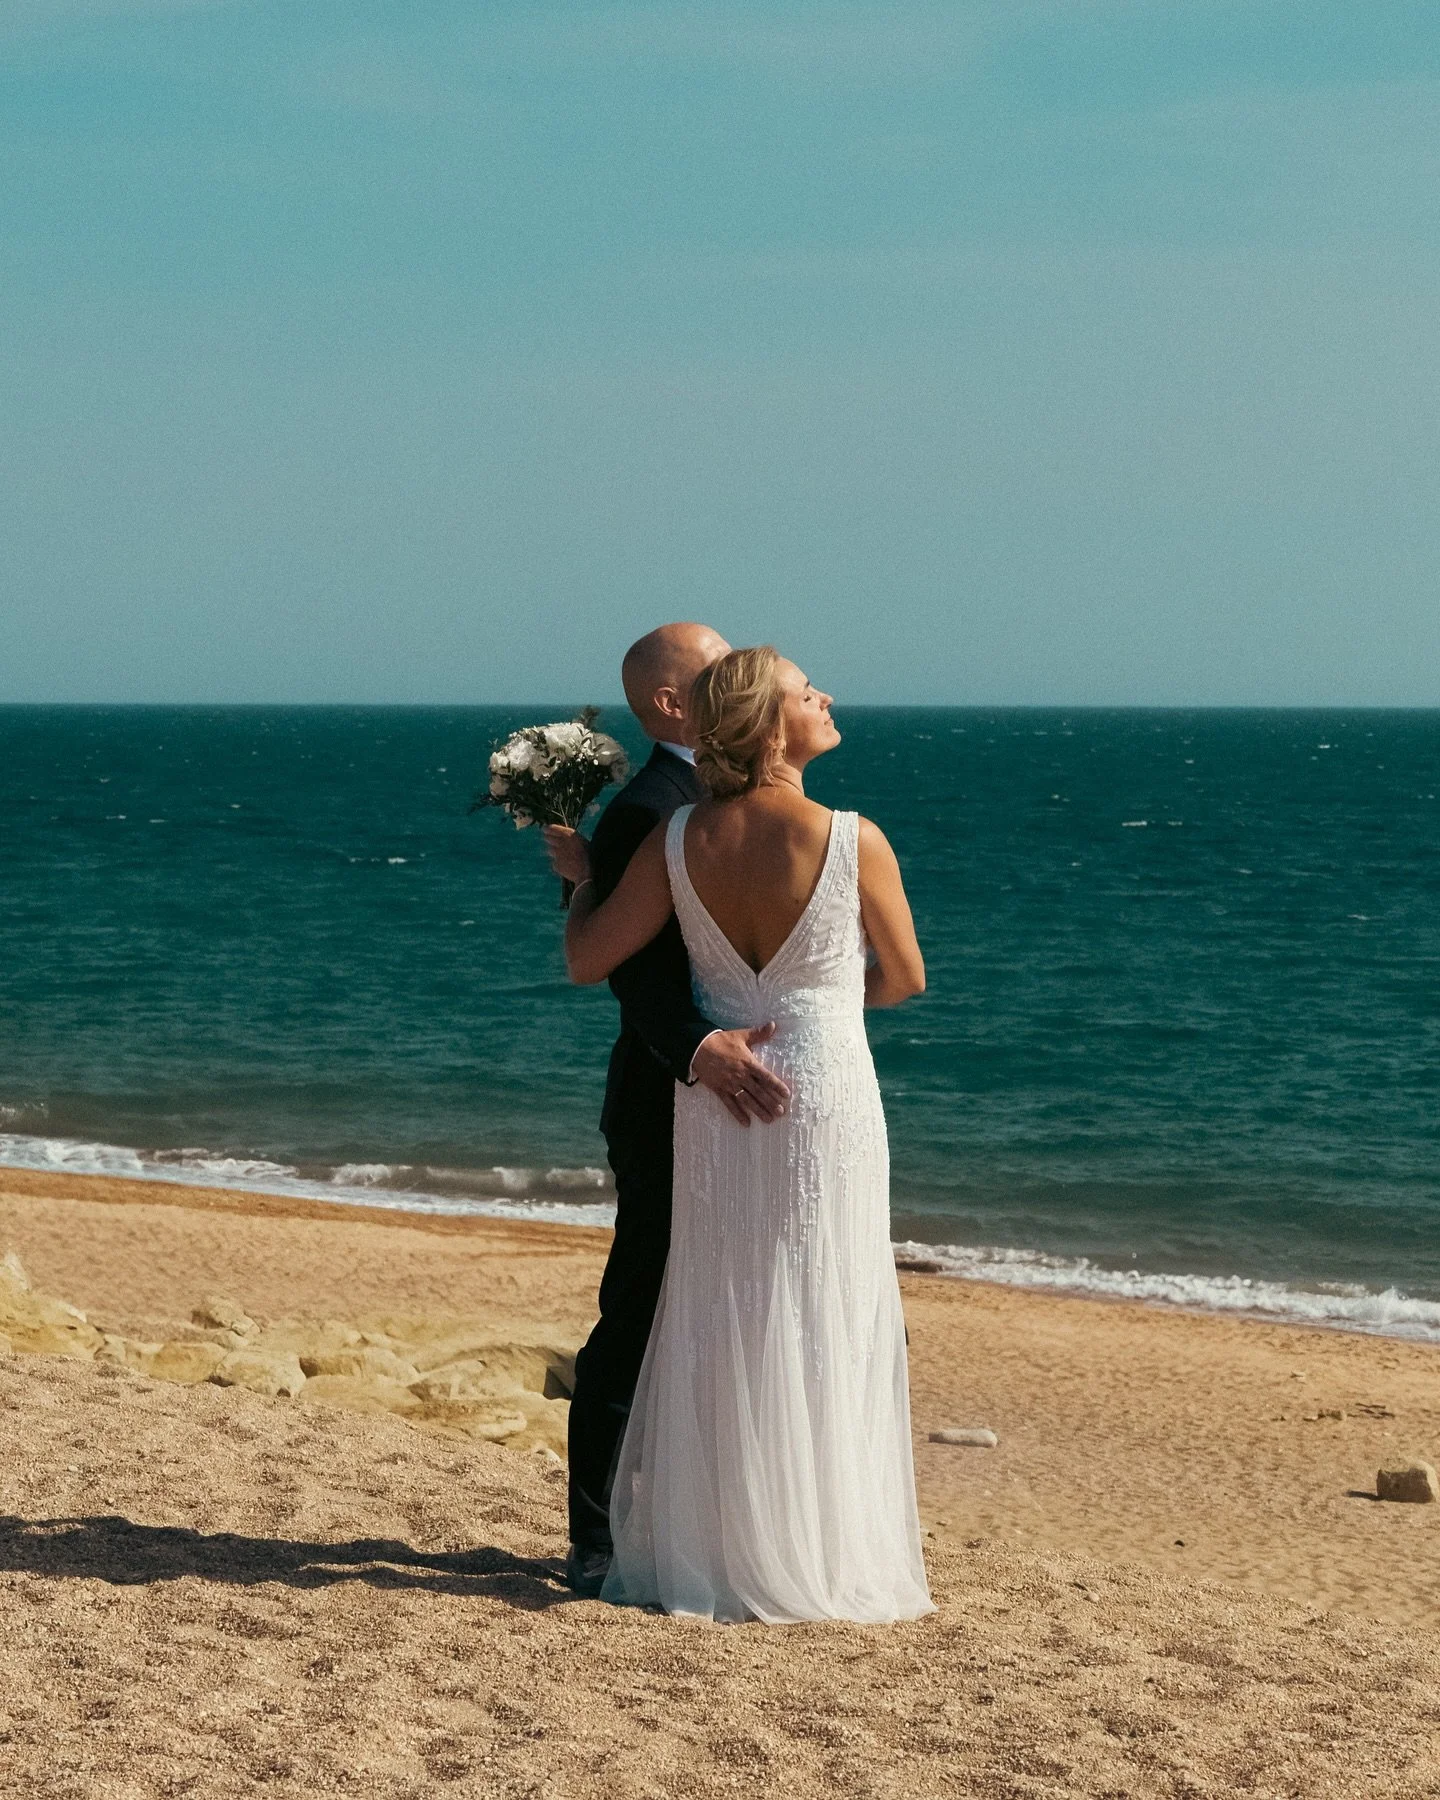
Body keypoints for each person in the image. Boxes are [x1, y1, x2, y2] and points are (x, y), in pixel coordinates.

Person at [545, 646, 933, 1624]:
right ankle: (816, 1545)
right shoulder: (855, 838)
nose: (828, 697)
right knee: (821, 1297)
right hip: (825, 1097)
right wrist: (823, 1015)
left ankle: (713, 1545)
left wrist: (580, 878)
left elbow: (590, 958)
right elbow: (905, 978)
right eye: (809, 692)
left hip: (711, 1104)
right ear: (771, 727)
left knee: (719, 1303)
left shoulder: (677, 840)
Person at [559, 624, 793, 1598]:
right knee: (641, 1307)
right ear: (668, 705)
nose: (744, 678)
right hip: (666, 1095)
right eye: (716, 668)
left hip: (745, 1098)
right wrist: (696, 1046)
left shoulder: (732, 800)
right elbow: (627, 969)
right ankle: (596, 1536)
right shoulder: (648, 806)